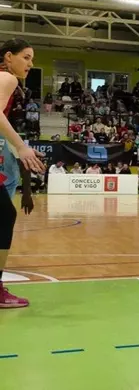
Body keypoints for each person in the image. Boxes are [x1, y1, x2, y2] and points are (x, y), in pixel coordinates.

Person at [0, 38, 43, 308]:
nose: (30, 63)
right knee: (5, 215)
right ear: (8, 57)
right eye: (26, 57)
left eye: (32, 59)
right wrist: (21, 146)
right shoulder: (7, 78)